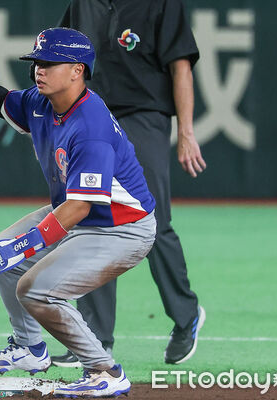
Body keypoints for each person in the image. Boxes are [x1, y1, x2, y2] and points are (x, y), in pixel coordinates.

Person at [0, 28, 156, 397]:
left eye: (50, 62)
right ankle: (30, 349)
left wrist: (29, 244)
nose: (39, 69)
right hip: (78, 213)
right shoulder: (42, 102)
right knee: (3, 255)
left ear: (77, 70)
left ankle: (105, 371)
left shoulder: (91, 127)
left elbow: (81, 205)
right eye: (37, 62)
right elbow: (3, 101)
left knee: (37, 290)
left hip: (122, 228)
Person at [50, 0, 207, 367]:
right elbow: (60, 56)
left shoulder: (162, 3)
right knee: (92, 222)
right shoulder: (83, 3)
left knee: (151, 220)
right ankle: (93, 340)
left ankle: (186, 315)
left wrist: (186, 132)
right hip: (92, 115)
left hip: (144, 114)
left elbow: (181, 66)